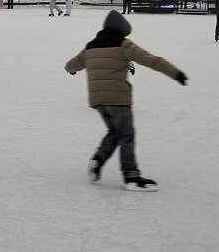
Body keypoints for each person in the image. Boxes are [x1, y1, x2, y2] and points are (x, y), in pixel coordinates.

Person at [65, 10, 187, 192]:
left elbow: (71, 64)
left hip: (98, 101)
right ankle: (131, 176)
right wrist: (176, 73)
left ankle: (98, 160)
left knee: (115, 132)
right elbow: (151, 60)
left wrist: (71, 70)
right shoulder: (123, 44)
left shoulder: (90, 47)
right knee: (127, 135)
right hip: (118, 99)